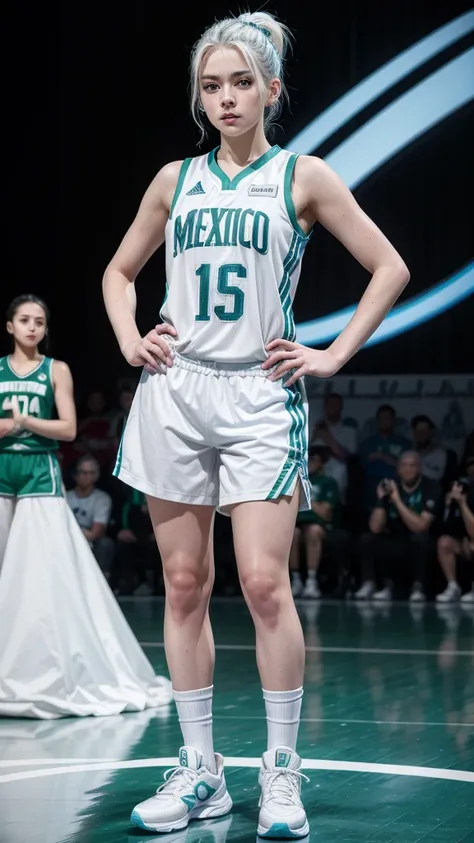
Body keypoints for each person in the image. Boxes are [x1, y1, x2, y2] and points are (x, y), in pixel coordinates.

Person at [102, 11, 409, 838]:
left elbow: (390, 266)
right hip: (176, 394)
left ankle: (280, 770)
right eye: (212, 85)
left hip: (258, 398)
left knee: (268, 586)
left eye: (242, 82)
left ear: (272, 88)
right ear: (199, 97)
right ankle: (202, 770)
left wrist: (334, 353)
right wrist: (132, 336)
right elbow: (118, 270)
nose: (226, 97)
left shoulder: (302, 177)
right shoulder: (175, 179)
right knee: (183, 584)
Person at [0, 294, 172, 718]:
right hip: (4, 470)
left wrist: (22, 422)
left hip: (40, 472)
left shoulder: (55, 369)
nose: (32, 327)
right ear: (10, 326)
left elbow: (69, 427)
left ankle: (40, 665)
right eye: (24, 320)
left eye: (39, 321)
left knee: (37, 574)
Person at [355, 451, 441, 602]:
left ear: (419, 468)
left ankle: (417, 587)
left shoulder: (431, 487)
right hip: (394, 536)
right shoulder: (390, 485)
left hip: (418, 538)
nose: (408, 469)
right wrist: (381, 500)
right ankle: (370, 584)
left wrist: (396, 500)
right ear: (398, 469)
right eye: (404, 465)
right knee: (367, 539)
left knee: (420, 540)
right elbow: (375, 527)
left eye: (412, 465)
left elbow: (421, 526)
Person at [290, 445, 342, 599]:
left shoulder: (328, 482)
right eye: (307, 459)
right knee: (291, 533)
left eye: (313, 460)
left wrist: (305, 496)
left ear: (321, 463)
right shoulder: (295, 480)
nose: (309, 463)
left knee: (313, 531)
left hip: (318, 524)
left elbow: (326, 513)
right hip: (296, 522)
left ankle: (311, 581)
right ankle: (296, 580)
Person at [66, 454, 115, 577]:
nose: (86, 476)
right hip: (67, 539)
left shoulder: (102, 498)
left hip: (90, 540)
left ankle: (103, 581)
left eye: (91, 473)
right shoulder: (65, 497)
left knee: (105, 543)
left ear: (96, 475)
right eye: (82, 472)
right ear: (75, 474)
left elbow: (96, 532)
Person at [435, 457, 474, 604]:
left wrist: (463, 504)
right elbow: (445, 527)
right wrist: (448, 505)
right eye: (470, 466)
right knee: (444, 542)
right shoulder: (461, 491)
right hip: (464, 541)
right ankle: (453, 587)